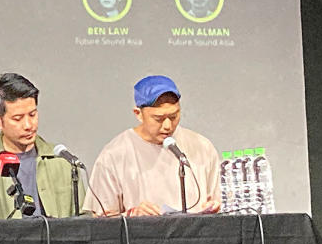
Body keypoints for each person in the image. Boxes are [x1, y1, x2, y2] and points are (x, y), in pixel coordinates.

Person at [84, 75, 221, 217]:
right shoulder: (114, 155)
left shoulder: (202, 147)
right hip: (141, 237)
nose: (168, 126)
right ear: (138, 114)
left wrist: (214, 206)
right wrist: (131, 215)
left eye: (174, 117)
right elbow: (100, 220)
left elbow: (219, 201)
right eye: (158, 119)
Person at [0, 73, 83, 219]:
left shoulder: (63, 161)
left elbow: (84, 223)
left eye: (32, 115)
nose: (28, 125)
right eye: (18, 119)